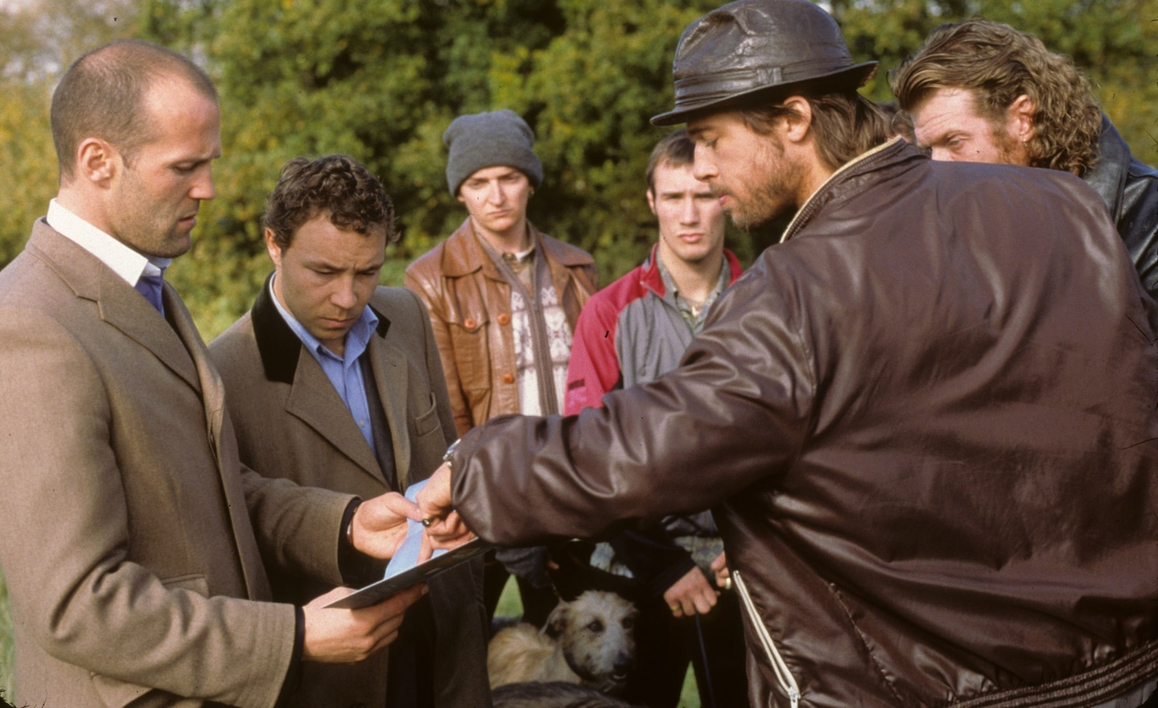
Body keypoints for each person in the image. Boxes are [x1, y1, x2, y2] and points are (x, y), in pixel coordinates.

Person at [415, 1, 1158, 706]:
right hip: (1122, 670)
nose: (702, 170)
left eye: (713, 139)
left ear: (795, 119)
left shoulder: (795, 290)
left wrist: (472, 466)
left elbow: (646, 443)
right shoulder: (1065, 206)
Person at [0, 40, 428, 707]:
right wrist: (292, 636)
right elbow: (79, 604)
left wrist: (344, 524)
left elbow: (209, 490)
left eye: (210, 163)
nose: (209, 188)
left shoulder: (146, 288)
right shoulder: (29, 324)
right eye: (184, 167)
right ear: (97, 161)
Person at [209, 155, 490, 707]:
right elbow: (242, 529)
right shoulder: (221, 373)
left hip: (447, 641)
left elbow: (442, 454)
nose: (348, 297)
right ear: (274, 243)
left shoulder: (406, 312)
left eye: (367, 272)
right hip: (339, 674)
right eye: (324, 272)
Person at [561, 129, 747, 708]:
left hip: (742, 564)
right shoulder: (609, 312)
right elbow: (587, 455)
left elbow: (804, 441)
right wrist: (661, 564)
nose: (688, 215)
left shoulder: (772, 298)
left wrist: (752, 546)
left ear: (729, 198)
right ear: (651, 203)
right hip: (636, 563)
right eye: (673, 197)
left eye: (704, 195)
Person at [405, 109, 599, 626]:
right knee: (467, 653)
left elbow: (601, 384)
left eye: (509, 178)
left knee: (572, 655)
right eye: (479, 182)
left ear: (530, 183)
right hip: (484, 496)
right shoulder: (430, 278)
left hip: (572, 489)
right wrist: (483, 500)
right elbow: (445, 408)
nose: (496, 195)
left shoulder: (578, 268)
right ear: (460, 192)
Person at [890, 18, 1158, 298]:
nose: (936, 166)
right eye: (928, 148)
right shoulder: (955, 222)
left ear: (1023, 118)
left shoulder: (1148, 219)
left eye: (954, 141)